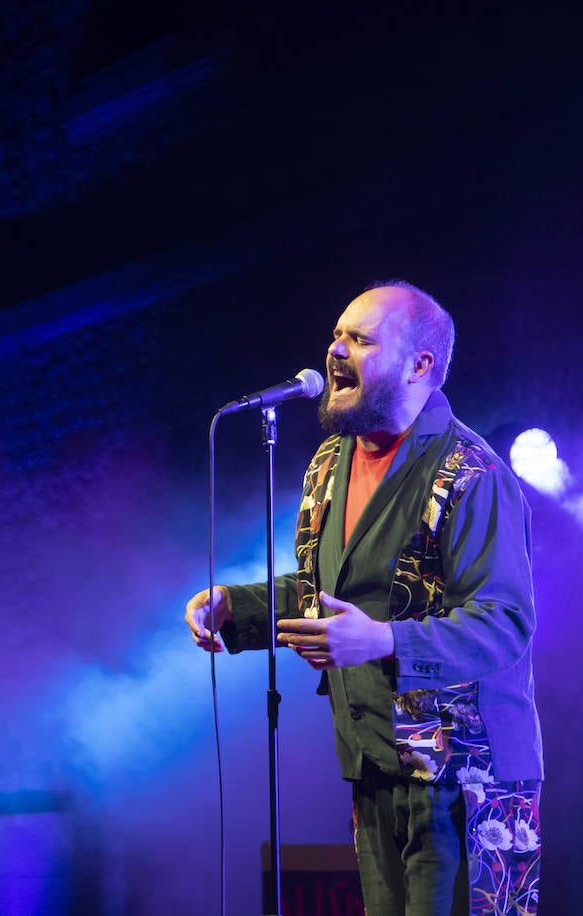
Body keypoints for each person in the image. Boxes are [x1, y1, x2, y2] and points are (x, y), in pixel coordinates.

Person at [184, 281, 542, 916]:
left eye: (360, 338)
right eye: (336, 333)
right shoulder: (329, 463)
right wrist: (233, 607)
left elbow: (504, 622)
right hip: (375, 762)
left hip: (468, 778)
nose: (335, 349)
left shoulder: (473, 474)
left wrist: (382, 640)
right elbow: (329, 592)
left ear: (419, 365)